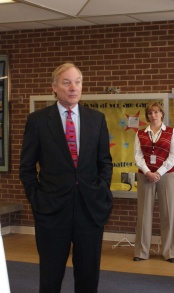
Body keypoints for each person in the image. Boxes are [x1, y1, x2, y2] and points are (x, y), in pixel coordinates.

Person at [19, 63, 113, 293]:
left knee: (88, 277)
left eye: (78, 82)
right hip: (52, 211)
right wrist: (37, 199)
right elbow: (27, 168)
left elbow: (105, 162)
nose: (73, 88)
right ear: (54, 87)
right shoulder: (38, 121)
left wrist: (100, 189)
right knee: (50, 278)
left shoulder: (96, 119)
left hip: (89, 210)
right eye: (66, 82)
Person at [133, 102, 174, 263]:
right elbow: (137, 156)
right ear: (147, 116)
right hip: (145, 175)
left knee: (168, 213)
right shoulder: (140, 133)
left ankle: (171, 252)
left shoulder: (171, 132)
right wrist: (147, 172)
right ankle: (141, 251)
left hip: (166, 176)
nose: (153, 115)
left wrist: (158, 173)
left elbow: (173, 157)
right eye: (150, 113)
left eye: (156, 112)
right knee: (144, 214)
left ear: (162, 114)